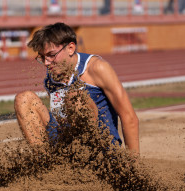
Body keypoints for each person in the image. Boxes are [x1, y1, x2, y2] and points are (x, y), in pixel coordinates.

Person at [14, 22, 139, 155]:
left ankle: (89, 163)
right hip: (69, 146)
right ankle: (46, 166)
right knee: (24, 99)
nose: (46, 63)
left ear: (70, 48)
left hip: (102, 149)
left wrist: (133, 168)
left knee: (75, 98)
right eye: (42, 57)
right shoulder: (52, 77)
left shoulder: (97, 68)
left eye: (51, 55)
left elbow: (129, 117)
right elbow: (61, 117)